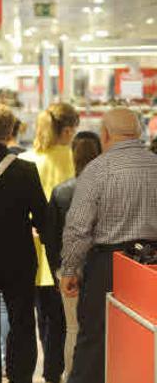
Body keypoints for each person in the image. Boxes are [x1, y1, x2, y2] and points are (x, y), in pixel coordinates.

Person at [60, 107, 157, 383]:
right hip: (152, 267)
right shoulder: (156, 165)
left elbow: (78, 228)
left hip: (108, 266)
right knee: (146, 336)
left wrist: (70, 269)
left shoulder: (97, 170)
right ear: (137, 133)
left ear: (105, 134)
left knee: (94, 341)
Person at [0, 103, 48, 383]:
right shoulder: (26, 170)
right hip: (19, 259)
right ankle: (20, 376)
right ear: (11, 132)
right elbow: (43, 218)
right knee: (23, 321)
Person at [21, 102, 79, 383]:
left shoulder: (28, 159)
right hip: (68, 255)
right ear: (68, 130)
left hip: (33, 256)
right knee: (68, 324)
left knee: (43, 321)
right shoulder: (74, 159)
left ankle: (48, 374)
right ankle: (60, 374)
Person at [44, 131, 102, 382]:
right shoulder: (108, 190)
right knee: (100, 330)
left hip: (69, 269)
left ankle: (72, 376)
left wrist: (58, 269)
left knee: (72, 329)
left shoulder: (61, 191)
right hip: (100, 267)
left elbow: (51, 236)